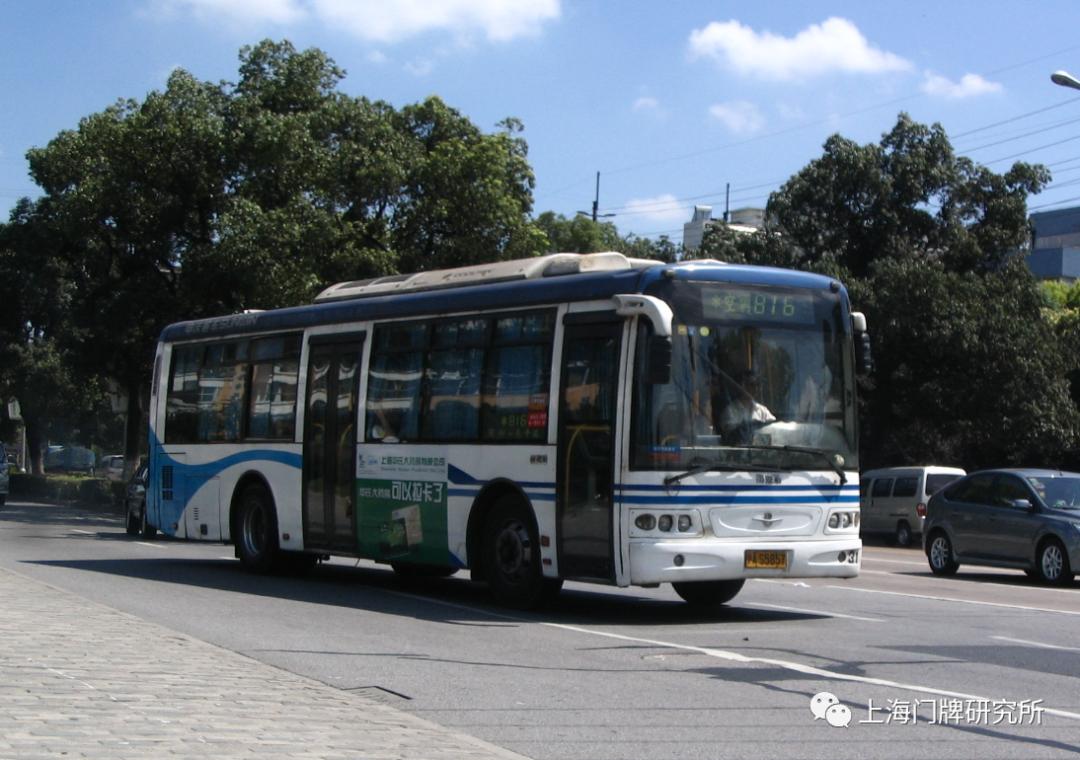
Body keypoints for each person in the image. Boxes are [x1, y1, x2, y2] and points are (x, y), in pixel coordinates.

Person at [720, 371, 775, 443]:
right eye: (751, 385)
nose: (755, 388)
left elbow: (773, 429)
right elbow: (732, 438)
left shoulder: (762, 410)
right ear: (741, 386)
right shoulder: (730, 411)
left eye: (757, 385)